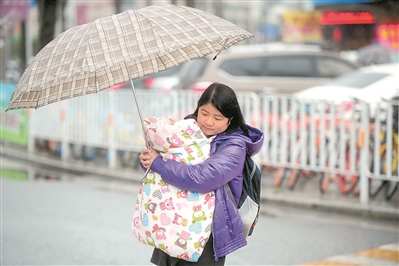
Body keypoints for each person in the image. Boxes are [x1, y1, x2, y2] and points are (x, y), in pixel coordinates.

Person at [139, 82, 264, 266]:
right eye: (204, 113)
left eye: (217, 117)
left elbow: (202, 178)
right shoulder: (186, 131)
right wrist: (149, 161)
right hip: (172, 222)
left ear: (230, 120)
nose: (208, 121)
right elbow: (165, 161)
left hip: (205, 233)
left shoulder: (234, 147)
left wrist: (159, 164)